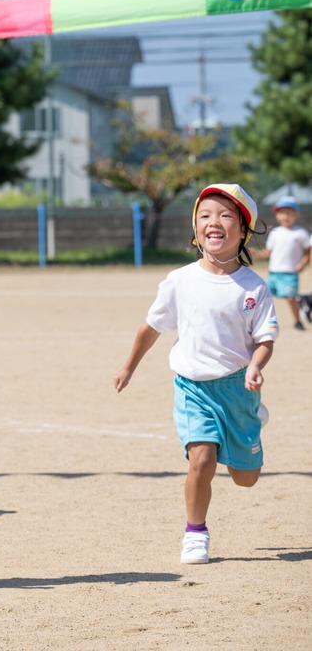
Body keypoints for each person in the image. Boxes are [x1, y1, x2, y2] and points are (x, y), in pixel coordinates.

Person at [113, 183, 277, 565]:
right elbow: (151, 327)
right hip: (193, 387)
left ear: (243, 230)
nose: (213, 222)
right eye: (205, 215)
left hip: (238, 390)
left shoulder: (253, 287)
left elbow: (266, 339)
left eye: (224, 215)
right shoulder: (180, 280)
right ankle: (195, 533)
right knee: (201, 460)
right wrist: (128, 366)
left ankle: (254, 421)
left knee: (245, 478)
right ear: (195, 229)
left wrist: (255, 366)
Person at [258, 196, 311, 331]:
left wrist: (303, 263)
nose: (285, 216)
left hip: (290, 273)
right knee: (263, 297)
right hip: (274, 272)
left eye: (289, 213)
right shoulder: (275, 233)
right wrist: (255, 254)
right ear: (277, 215)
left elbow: (308, 251)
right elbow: (268, 252)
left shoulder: (301, 233)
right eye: (281, 213)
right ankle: (261, 322)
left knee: (291, 299)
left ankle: (297, 321)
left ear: (296, 214)